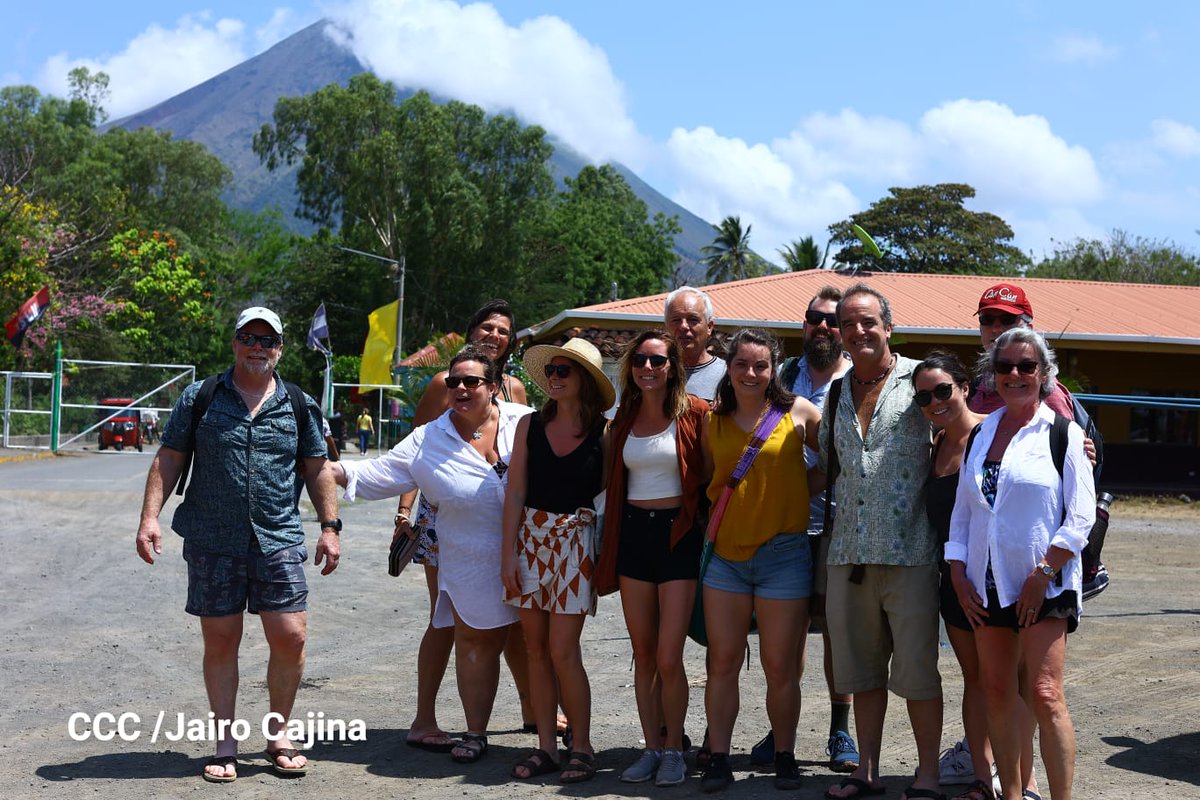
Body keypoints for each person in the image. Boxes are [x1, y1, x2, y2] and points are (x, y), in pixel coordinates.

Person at [135, 306, 340, 783]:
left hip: (278, 536)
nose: (257, 347)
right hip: (212, 539)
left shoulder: (299, 403)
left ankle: (277, 733)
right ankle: (225, 742)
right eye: (248, 337)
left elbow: (317, 467)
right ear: (234, 343)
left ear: (280, 349)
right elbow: (169, 458)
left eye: (267, 340)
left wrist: (330, 527)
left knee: (291, 636)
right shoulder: (200, 397)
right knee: (222, 640)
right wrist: (149, 518)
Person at [327, 345, 532, 765]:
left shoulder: (524, 423)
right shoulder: (428, 439)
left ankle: (549, 736)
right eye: (453, 381)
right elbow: (374, 473)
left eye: (470, 381)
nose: (459, 388)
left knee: (540, 644)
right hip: (469, 558)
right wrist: (324, 468)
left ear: (493, 387)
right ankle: (476, 733)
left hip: (534, 554)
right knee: (474, 642)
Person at [947, 328, 1094, 800]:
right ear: (993, 373)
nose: (1014, 374)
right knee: (994, 690)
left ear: (1044, 374)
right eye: (1005, 366)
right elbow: (964, 513)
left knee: (1045, 694)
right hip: (985, 582)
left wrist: (1044, 575)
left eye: (1026, 366)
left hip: (1044, 584)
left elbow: (1081, 517)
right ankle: (1010, 794)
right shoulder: (982, 432)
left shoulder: (1063, 434)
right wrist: (956, 572)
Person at [390, 299, 535, 753]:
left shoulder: (515, 390)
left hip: (506, 524)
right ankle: (424, 717)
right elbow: (416, 453)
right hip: (445, 521)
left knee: (513, 622)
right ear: (472, 330)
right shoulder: (445, 383)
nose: (494, 335)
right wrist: (403, 513)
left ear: (511, 342)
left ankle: (535, 709)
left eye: (503, 331)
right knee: (446, 617)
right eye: (487, 327)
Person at [817, 284, 943, 800]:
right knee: (862, 673)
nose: (858, 331)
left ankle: (928, 774)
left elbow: (964, 427)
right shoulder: (835, 392)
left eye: (868, 322)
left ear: (888, 327)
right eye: (848, 324)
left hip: (911, 552)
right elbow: (829, 464)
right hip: (849, 557)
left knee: (917, 674)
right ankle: (865, 770)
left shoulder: (921, 382)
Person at [698, 328, 824, 793]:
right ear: (727, 368)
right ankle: (718, 758)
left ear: (774, 369)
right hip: (726, 557)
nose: (750, 374)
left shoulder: (800, 413)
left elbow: (831, 463)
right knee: (723, 662)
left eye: (760, 365)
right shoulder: (712, 421)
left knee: (779, 665)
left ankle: (785, 755)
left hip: (784, 556)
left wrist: (794, 495)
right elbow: (710, 481)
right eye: (741, 365)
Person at [594, 331, 709, 787]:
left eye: (657, 361)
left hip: (678, 537)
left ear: (672, 367)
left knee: (668, 655)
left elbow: (712, 477)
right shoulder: (620, 418)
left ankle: (675, 749)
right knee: (642, 654)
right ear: (630, 367)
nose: (648, 367)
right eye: (640, 360)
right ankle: (651, 747)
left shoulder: (696, 414)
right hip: (634, 538)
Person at [754, 286, 860, 773]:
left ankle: (841, 729)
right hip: (787, 526)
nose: (823, 326)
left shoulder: (858, 381)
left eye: (833, 320)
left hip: (838, 525)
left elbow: (843, 458)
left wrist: (809, 486)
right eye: (814, 318)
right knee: (788, 632)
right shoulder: (780, 378)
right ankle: (782, 730)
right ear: (803, 325)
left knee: (837, 628)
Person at [501, 338, 613, 784]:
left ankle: (581, 746)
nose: (554, 377)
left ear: (584, 378)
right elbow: (515, 493)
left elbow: (606, 497)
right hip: (529, 540)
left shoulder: (604, 432)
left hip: (576, 544)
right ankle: (547, 746)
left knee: (564, 650)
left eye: (564, 370)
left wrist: (602, 558)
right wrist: (507, 555)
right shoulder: (529, 425)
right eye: (551, 370)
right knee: (535, 650)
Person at [914, 351, 996, 800]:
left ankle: (1023, 777)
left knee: (1010, 681)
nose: (935, 401)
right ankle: (983, 776)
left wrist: (1083, 442)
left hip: (996, 580)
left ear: (964, 386)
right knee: (976, 680)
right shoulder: (934, 444)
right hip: (954, 583)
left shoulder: (997, 432)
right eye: (924, 396)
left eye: (943, 390)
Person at [665, 286, 725, 401]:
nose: (683, 326)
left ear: (709, 327)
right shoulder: (651, 373)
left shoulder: (728, 376)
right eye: (676, 320)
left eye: (693, 319)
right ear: (666, 326)